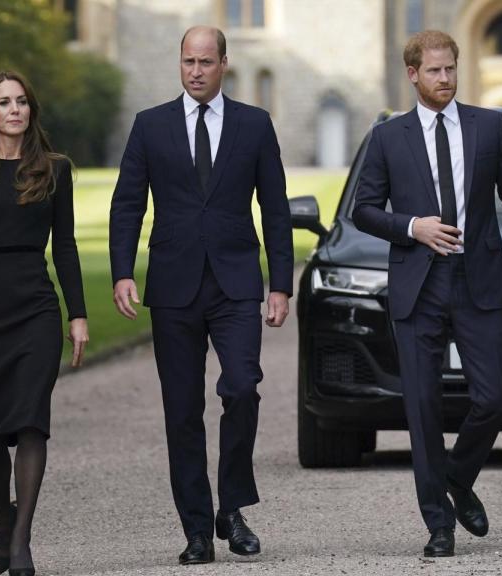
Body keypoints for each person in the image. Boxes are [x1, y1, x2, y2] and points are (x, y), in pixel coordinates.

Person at [352, 30, 502, 557]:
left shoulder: (488, 126)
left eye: (451, 69)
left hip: (477, 279)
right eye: (434, 71)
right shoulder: (387, 137)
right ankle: (438, 525)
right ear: (414, 74)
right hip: (417, 284)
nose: (445, 79)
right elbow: (363, 209)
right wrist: (413, 226)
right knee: (421, 407)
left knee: (497, 394)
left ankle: (457, 477)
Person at [108, 26, 293, 565]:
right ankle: (195, 529)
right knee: (182, 410)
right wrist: (123, 271)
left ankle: (232, 508)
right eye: (188, 61)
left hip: (236, 283)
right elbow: (127, 206)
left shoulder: (255, 125)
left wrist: (279, 283)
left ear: (224, 65)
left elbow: (276, 209)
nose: (195, 70)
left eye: (206, 62)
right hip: (173, 286)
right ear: (179, 64)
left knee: (241, 389)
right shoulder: (150, 126)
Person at [0, 71, 88, 576]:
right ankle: (3, 521)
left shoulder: (54, 169)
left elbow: (66, 247)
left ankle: (22, 540)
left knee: (31, 422)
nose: (14, 110)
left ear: (31, 110)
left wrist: (78, 315)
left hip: (36, 310)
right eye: (3, 102)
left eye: (22, 102)